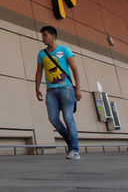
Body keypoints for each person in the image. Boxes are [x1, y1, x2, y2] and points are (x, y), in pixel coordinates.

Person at [34, 25, 82, 160]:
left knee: (68, 118)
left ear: (53, 36)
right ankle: (71, 141)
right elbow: (39, 72)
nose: (43, 38)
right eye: (42, 35)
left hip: (66, 89)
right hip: (51, 91)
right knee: (53, 118)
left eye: (45, 35)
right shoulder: (41, 54)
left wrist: (78, 88)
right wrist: (36, 88)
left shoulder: (64, 50)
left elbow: (75, 69)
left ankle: (74, 150)